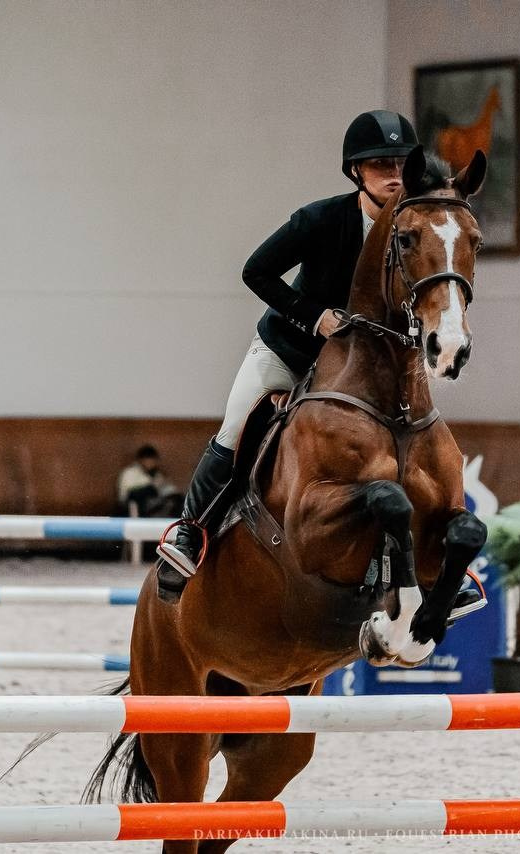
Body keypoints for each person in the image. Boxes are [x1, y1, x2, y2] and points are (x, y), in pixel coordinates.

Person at [154, 110, 419, 604]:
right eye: (380, 164)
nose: (395, 175)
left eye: (402, 163)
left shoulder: (415, 230)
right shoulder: (320, 219)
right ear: (355, 172)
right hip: (291, 352)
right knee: (235, 428)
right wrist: (313, 315)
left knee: (415, 435)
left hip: (361, 371)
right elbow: (257, 270)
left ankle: (435, 557)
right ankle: (189, 533)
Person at [117, 445, 180, 518]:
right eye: (148, 460)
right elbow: (130, 494)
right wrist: (152, 487)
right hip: (130, 506)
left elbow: (169, 490)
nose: (151, 463)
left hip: (151, 506)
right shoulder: (130, 472)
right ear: (141, 460)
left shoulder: (158, 474)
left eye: (153, 460)